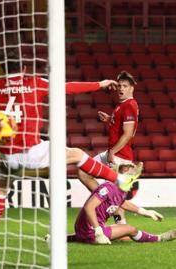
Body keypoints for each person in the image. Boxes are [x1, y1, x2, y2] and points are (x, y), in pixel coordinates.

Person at [0, 56, 143, 254]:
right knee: (77, 154)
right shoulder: (34, 83)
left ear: (2, 69)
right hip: (31, 150)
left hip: (8, 155)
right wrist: (99, 84)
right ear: (23, 68)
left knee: (0, 192)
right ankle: (120, 179)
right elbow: (69, 87)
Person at [78, 71, 139, 225]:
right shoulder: (122, 106)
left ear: (132, 88)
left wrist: (113, 151)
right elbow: (120, 129)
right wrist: (110, 120)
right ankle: (106, 201)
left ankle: (121, 224)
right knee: (83, 171)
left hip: (120, 155)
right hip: (113, 152)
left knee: (116, 191)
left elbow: (128, 134)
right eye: (119, 86)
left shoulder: (130, 105)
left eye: (125, 86)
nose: (121, 89)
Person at [66, 179, 176, 244]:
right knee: (130, 229)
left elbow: (123, 203)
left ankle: (64, 238)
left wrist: (145, 212)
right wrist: (98, 231)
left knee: (118, 229)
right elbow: (89, 207)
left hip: (82, 229)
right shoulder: (109, 188)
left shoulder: (119, 192)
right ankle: (159, 238)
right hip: (91, 231)